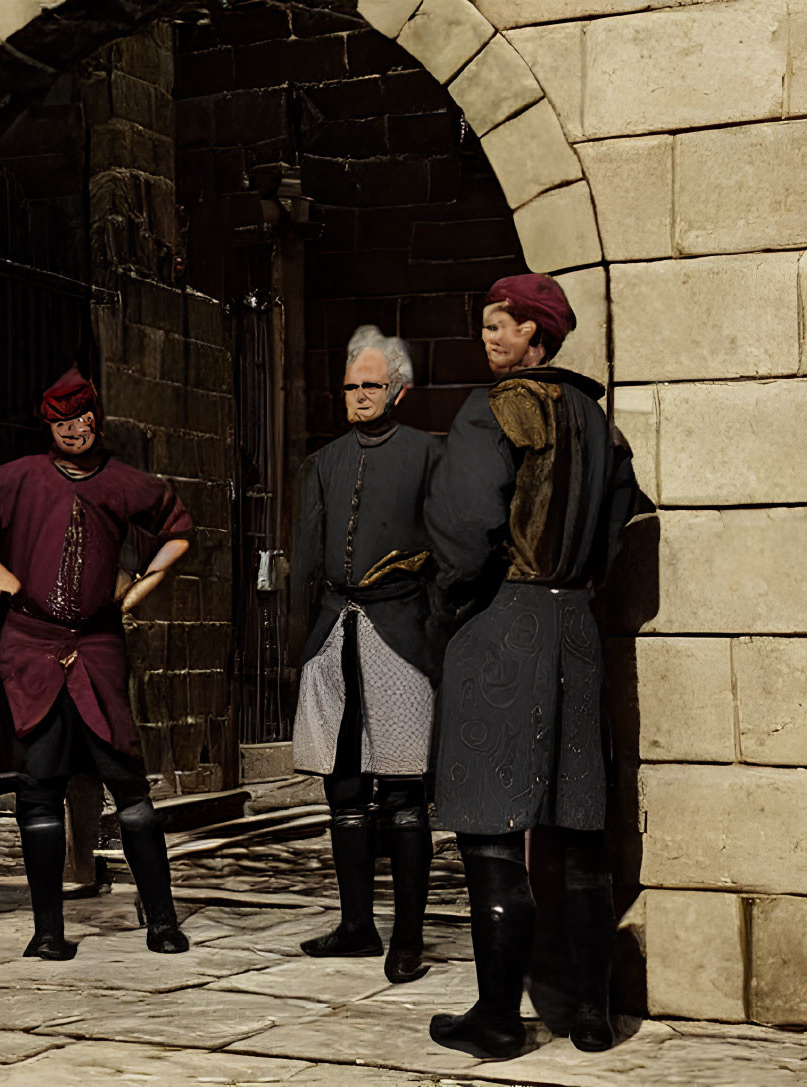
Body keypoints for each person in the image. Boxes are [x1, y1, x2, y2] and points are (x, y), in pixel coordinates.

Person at [425, 275, 642, 1057]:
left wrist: (451, 609)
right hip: (575, 627)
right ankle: (591, 1014)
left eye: (502, 326)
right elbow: (622, 525)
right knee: (575, 825)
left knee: (490, 823)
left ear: (536, 338)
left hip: (503, 620)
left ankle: (498, 1016)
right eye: (485, 324)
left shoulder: (496, 409)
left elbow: (465, 526)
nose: (489, 338)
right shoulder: (597, 420)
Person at [0, 368, 193, 959]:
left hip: (97, 646)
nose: (74, 430)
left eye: (83, 419)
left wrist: (138, 589)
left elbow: (177, 528)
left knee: (127, 782)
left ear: (97, 420)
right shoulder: (19, 477)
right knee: (38, 785)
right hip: (30, 644)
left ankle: (163, 921)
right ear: (50, 426)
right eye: (62, 422)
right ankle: (48, 930)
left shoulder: (123, 481)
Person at [289, 326, 443, 986]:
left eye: (371, 385)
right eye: (350, 385)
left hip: (401, 630)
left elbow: (446, 554)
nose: (358, 396)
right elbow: (304, 561)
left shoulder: (428, 456)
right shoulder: (322, 462)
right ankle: (357, 924)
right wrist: (300, 648)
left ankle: (407, 937)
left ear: (399, 390)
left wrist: (435, 635)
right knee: (342, 783)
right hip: (333, 633)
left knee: (405, 791)